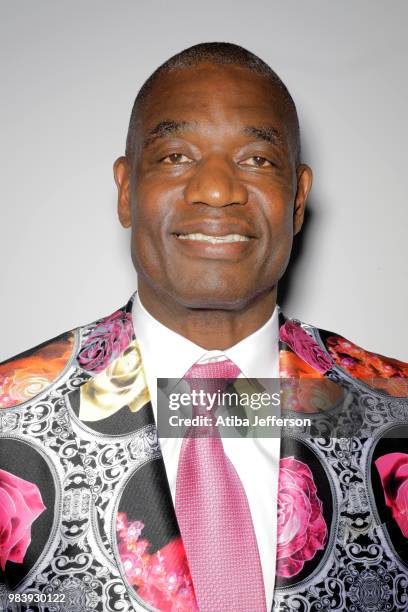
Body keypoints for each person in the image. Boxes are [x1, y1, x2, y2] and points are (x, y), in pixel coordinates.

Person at [0, 42, 407, 612]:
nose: (216, 190)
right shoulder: (7, 421)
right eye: (175, 156)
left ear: (297, 199)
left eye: (257, 160)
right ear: (125, 190)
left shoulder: (398, 413)